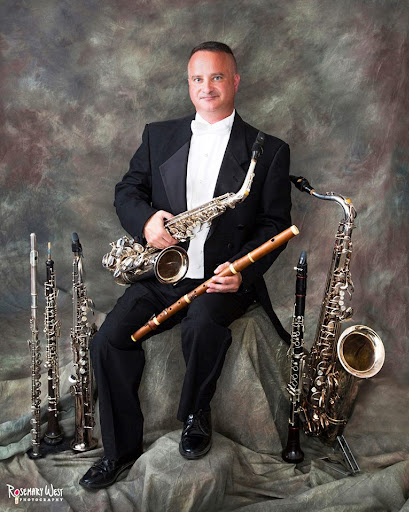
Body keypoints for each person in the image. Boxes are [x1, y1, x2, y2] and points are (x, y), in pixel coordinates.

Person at [79, 41, 291, 490]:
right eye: (197, 78)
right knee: (109, 340)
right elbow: (127, 191)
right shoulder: (158, 136)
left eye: (217, 77)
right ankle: (120, 451)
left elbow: (274, 223)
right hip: (163, 271)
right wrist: (147, 221)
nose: (206, 87)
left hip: (221, 276)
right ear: (188, 83)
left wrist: (242, 271)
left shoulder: (268, 149)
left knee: (201, 326)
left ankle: (195, 414)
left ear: (235, 81)